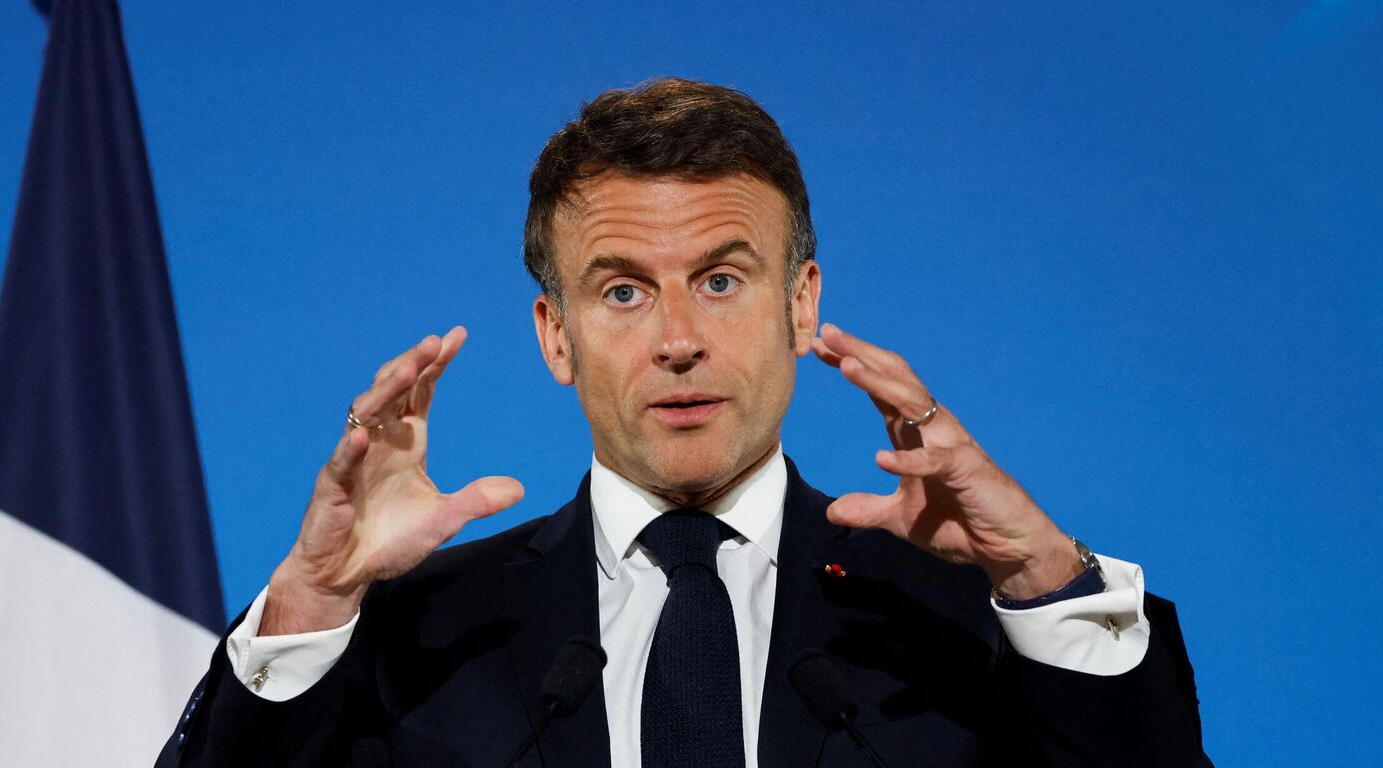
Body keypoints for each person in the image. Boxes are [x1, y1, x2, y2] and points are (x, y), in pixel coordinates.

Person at [157, 78, 1209, 767]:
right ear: (554, 335)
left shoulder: (968, 627)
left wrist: (1044, 581)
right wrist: (306, 607)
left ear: (800, 305)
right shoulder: (417, 639)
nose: (675, 340)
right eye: (620, 291)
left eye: (719, 279)